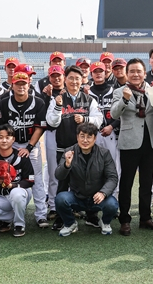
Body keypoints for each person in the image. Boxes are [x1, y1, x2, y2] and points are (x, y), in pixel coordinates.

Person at [46, 65, 103, 229]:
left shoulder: (89, 99)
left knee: (89, 181)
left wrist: (85, 119)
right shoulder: (57, 99)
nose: (74, 81)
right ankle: (61, 217)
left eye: (77, 78)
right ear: (65, 79)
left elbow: (99, 120)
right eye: (70, 78)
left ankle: (91, 215)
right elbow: (51, 122)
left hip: (86, 149)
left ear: (82, 80)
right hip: (64, 148)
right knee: (62, 183)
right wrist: (58, 106)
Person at [111, 58, 153, 236]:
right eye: (132, 71)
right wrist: (124, 100)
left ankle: (145, 218)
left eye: (139, 71)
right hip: (129, 142)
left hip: (149, 141)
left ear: (144, 73)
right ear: (127, 73)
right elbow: (114, 114)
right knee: (126, 183)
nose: (135, 74)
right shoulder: (119, 92)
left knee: (146, 183)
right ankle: (124, 220)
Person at [0, 71, 48, 228]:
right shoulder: (4, 103)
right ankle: (4, 215)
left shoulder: (38, 102)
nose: (21, 86)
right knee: (1, 175)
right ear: (13, 85)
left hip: (30, 143)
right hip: (11, 144)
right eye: (18, 84)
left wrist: (29, 147)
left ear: (29, 84)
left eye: (24, 83)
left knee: (36, 178)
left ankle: (41, 215)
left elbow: (39, 127)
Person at [55, 122, 119, 236]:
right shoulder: (69, 152)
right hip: (77, 197)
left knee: (112, 204)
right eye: (82, 136)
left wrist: (103, 193)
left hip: (97, 198)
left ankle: (105, 222)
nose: (85, 140)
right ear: (77, 137)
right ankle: (70, 223)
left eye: (89, 137)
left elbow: (113, 177)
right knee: (60, 199)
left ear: (95, 138)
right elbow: (59, 176)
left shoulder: (104, 153)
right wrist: (67, 165)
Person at [0, 124, 35, 237]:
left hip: (21, 193)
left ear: (13, 139)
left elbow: (30, 181)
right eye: (0, 137)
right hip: (1, 196)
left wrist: (12, 185)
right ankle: (10, 218)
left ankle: (19, 224)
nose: (4, 140)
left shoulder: (21, 155)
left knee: (16, 194)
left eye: (7, 137)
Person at [88, 62, 121, 199]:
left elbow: (121, 113)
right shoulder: (86, 92)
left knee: (113, 166)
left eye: (100, 71)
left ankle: (114, 196)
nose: (98, 74)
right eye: (95, 71)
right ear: (91, 74)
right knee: (93, 165)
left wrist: (112, 126)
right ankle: (94, 196)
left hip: (110, 132)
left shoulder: (114, 90)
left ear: (105, 72)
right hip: (92, 134)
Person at [38, 65, 66, 224]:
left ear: (63, 76)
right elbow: (41, 114)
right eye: (53, 76)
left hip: (68, 132)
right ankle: (54, 205)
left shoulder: (68, 91)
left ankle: (71, 204)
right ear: (49, 77)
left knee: (71, 169)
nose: (56, 78)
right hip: (52, 133)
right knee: (53, 169)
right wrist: (47, 97)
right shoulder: (45, 93)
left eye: (59, 75)